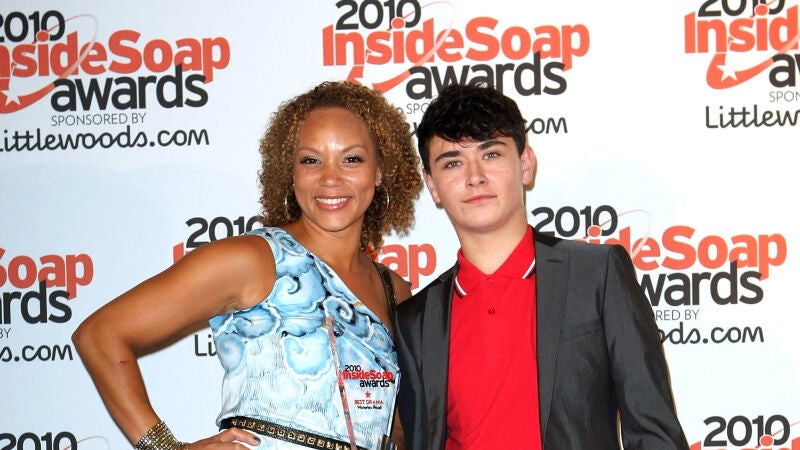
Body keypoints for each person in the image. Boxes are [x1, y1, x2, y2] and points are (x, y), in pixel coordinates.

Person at [72, 81, 423, 450]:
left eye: (351, 159)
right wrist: (167, 448)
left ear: (380, 170)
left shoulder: (394, 290)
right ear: (290, 172)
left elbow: (398, 427)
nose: (330, 178)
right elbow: (100, 334)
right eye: (310, 160)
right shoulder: (254, 260)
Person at [393, 83, 689, 450]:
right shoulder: (415, 321)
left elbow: (655, 433)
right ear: (433, 185)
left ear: (525, 164)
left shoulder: (596, 275)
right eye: (453, 162)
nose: (474, 176)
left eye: (491, 154)